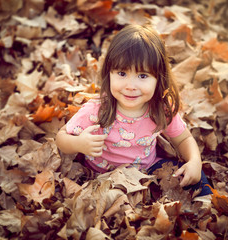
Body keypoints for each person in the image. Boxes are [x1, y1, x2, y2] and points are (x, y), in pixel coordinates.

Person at [56, 24, 211, 196]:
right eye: (122, 74)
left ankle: (205, 211)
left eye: (143, 76)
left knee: (195, 177)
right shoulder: (98, 109)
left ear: (158, 78)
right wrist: (78, 144)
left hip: (148, 170)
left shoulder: (160, 108)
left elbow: (183, 139)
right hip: (103, 178)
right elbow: (61, 137)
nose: (131, 86)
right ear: (109, 74)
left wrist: (195, 161)